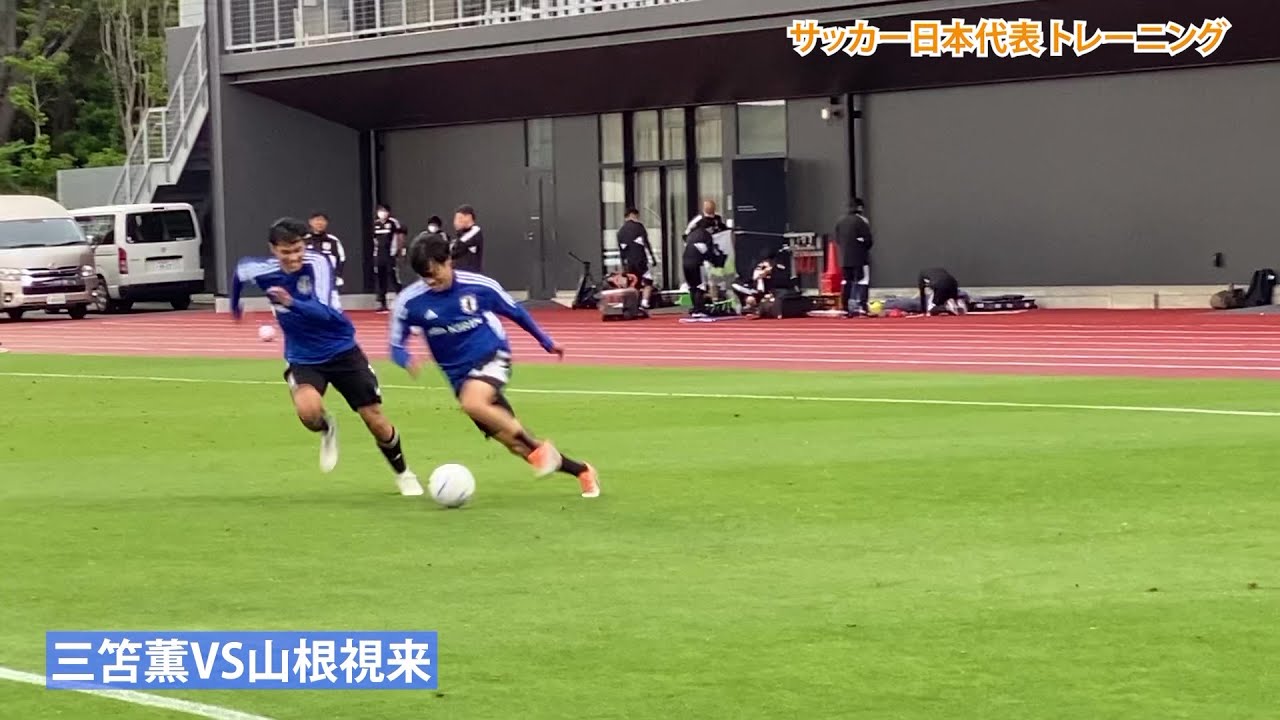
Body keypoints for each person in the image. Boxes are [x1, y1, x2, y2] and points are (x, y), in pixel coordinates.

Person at [390, 232, 601, 499]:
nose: (431, 281)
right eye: (424, 277)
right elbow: (396, 344)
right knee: (517, 445)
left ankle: (542, 451)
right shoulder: (410, 302)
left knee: (473, 403)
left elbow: (516, 311)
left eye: (434, 273)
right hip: (458, 377)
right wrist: (405, 359)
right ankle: (582, 471)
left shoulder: (479, 286)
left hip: (492, 355)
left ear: (448, 261)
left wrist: (546, 341)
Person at [231, 217, 423, 497]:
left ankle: (404, 473)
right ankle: (327, 426)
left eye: (298, 249)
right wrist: (235, 306)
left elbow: (326, 314)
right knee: (308, 412)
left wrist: (290, 302)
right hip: (303, 357)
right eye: (286, 252)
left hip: (342, 350)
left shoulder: (318, 264)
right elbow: (240, 272)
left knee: (375, 419)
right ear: (273, 249)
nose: (293, 257)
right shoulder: (262, 269)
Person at [834, 199, 873, 317]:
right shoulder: (861, 221)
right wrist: (862, 244)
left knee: (846, 281)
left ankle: (845, 308)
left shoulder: (840, 222)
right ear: (860, 208)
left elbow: (837, 240)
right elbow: (868, 240)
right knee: (863, 280)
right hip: (860, 257)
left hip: (844, 258)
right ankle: (862, 307)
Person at [616, 208, 658, 309]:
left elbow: (622, 250)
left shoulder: (620, 231)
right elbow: (646, 243)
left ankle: (631, 303)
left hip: (629, 262)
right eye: (637, 216)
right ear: (632, 215)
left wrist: (623, 265)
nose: (638, 218)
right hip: (641, 259)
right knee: (648, 282)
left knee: (633, 282)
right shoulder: (639, 227)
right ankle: (644, 302)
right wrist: (652, 258)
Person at [372, 203, 405, 313]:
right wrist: (375, 254)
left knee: (393, 277)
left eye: (384, 211)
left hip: (390, 254)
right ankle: (382, 304)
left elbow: (400, 236)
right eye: (380, 211)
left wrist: (399, 251)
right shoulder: (376, 224)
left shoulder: (393, 223)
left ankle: (402, 301)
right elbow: (374, 240)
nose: (382, 213)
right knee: (381, 279)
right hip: (379, 255)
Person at [304, 211, 347, 291]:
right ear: (310, 222)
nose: (320, 223)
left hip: (328, 280)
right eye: (317, 220)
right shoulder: (304, 240)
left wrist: (337, 275)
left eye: (322, 220)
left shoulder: (333, 240)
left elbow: (341, 259)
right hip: (308, 280)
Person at [450, 205, 484, 272]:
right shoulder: (460, 236)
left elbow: (457, 248)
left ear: (469, 217)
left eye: (460, 218)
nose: (456, 222)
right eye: (455, 219)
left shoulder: (475, 230)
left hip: (470, 275)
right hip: (457, 274)